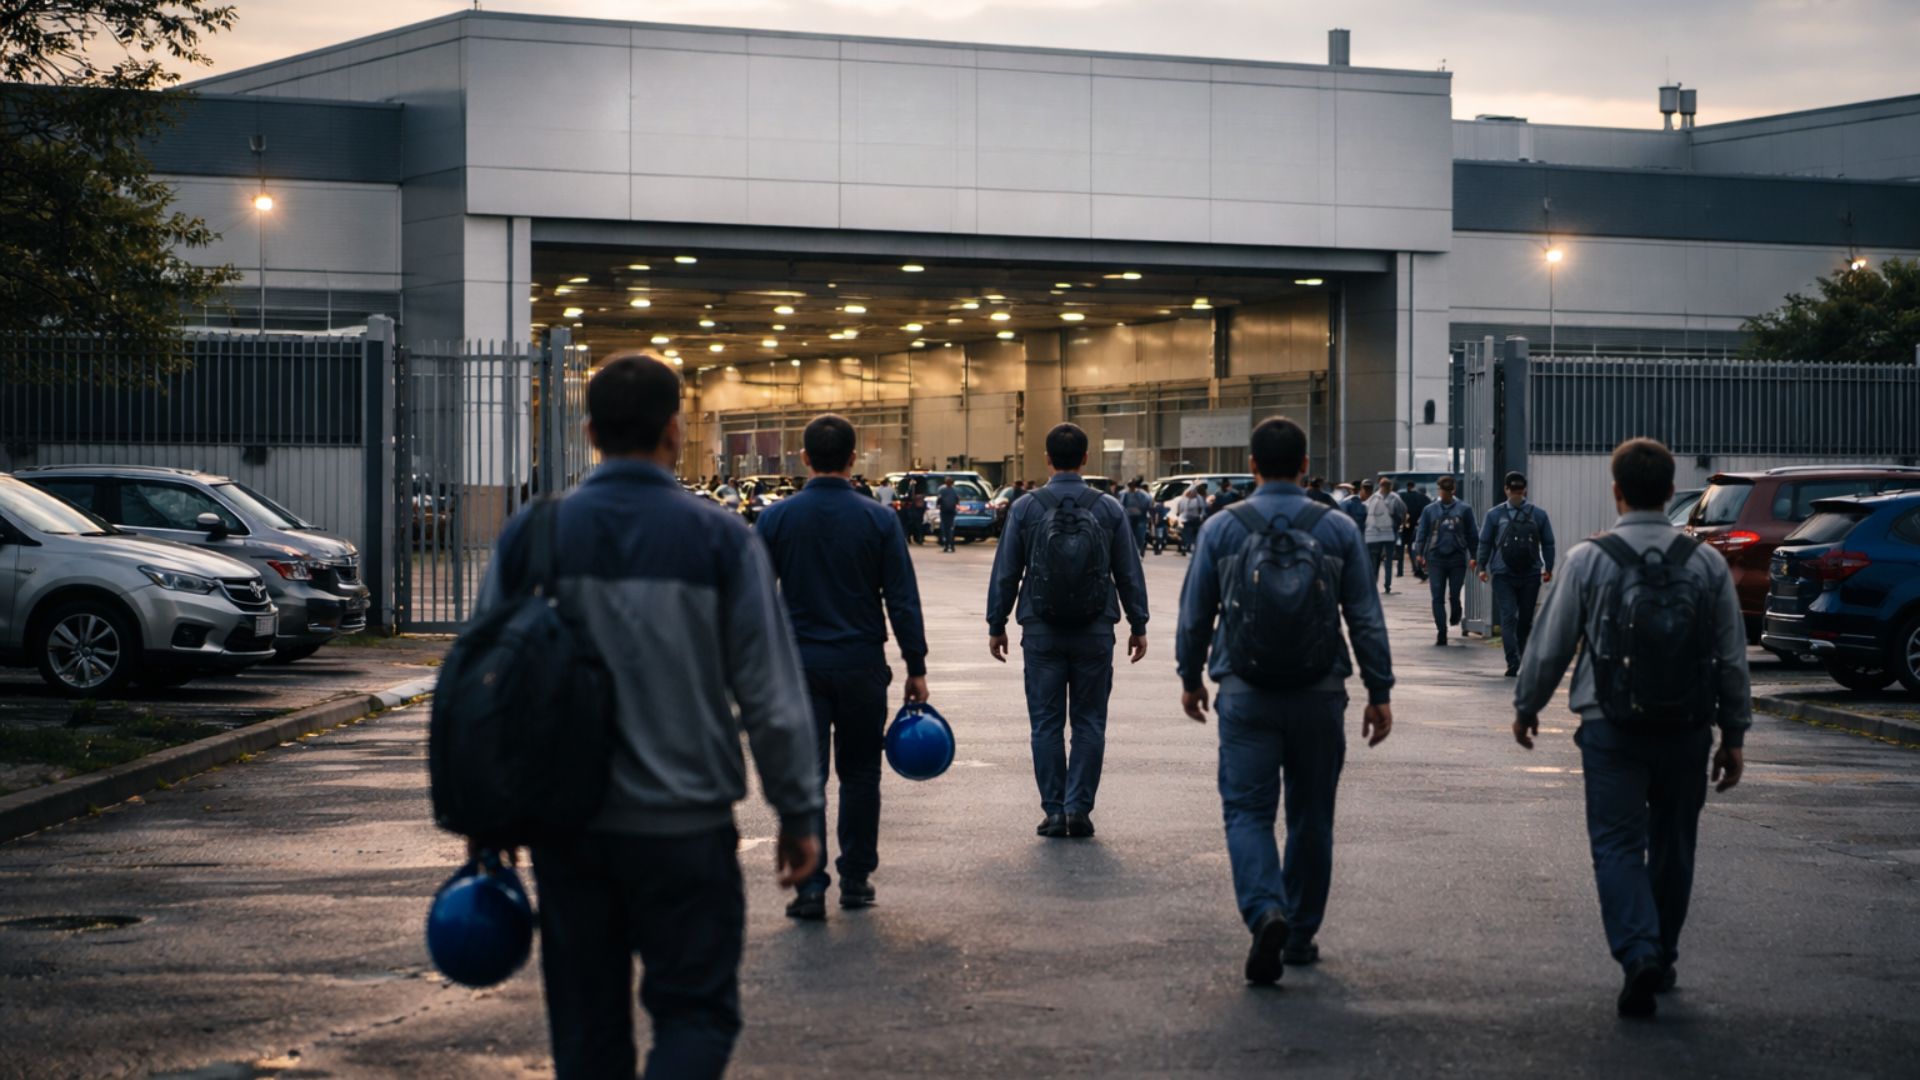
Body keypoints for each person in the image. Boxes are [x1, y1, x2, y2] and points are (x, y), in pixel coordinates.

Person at [476, 356, 820, 1080]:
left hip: (568, 830)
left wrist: (492, 819)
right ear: (674, 429)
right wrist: (798, 812)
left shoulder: (533, 536)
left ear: (591, 431)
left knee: (586, 1026)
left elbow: (488, 691)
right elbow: (771, 694)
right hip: (686, 828)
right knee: (697, 1013)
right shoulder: (722, 539)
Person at [1512, 437, 1749, 1019]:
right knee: (1674, 845)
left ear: (1616, 491)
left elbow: (1550, 645)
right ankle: (1662, 952)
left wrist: (1527, 707)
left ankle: (1636, 949)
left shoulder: (1590, 558)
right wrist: (1734, 732)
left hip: (1609, 727)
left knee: (1617, 844)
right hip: (1688, 728)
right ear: (1672, 492)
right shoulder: (1707, 563)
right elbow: (1731, 654)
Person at [1176, 417, 1395, 985]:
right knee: (1311, 815)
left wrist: (1190, 676)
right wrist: (1379, 690)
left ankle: (1264, 910)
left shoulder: (1224, 527)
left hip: (1246, 694)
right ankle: (1298, 934)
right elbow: (1365, 616)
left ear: (1252, 466)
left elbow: (1195, 612)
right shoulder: (1338, 527)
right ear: (1304, 467)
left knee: (1247, 812)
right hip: (1320, 693)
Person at [756, 415, 930, 921]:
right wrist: (915, 665)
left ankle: (809, 888)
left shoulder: (776, 519)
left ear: (804, 459)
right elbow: (902, 599)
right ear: (854, 459)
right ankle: (856, 879)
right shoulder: (877, 519)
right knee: (860, 775)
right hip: (860, 665)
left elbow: (755, 599)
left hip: (798, 668)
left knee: (807, 777)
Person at [986, 423, 1149, 840]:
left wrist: (997, 623)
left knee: (1046, 723)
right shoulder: (1108, 508)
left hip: (1041, 631)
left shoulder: (1026, 507)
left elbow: (1007, 571)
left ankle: (1054, 811)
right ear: (1085, 458)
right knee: (1090, 722)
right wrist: (1138, 623)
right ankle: (1079, 808)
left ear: (1047, 459)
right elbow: (1128, 571)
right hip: (1096, 631)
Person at [1478, 471, 1557, 677]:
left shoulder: (1494, 514)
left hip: (1502, 573)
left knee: (1508, 617)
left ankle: (1512, 661)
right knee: (1525, 619)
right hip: (1531, 573)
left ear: (1506, 489)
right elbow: (1548, 543)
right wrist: (1548, 568)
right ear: (1525, 490)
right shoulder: (1538, 514)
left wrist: (1481, 567)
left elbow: (1485, 542)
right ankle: (1522, 658)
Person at [1412, 476, 1478, 646]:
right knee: (1437, 596)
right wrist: (1419, 553)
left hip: (1457, 557)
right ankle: (1442, 631)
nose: (1446, 493)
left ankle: (1456, 611)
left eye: (1448, 490)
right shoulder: (1430, 510)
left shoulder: (1464, 509)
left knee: (1454, 594)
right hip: (1436, 557)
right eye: (1443, 490)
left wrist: (1474, 555)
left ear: (1453, 490)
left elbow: (1472, 534)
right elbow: (1422, 532)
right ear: (1439, 489)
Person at [1362, 477, 1406, 593]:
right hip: (1389, 533)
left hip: (1377, 533)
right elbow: (1402, 512)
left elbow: (1366, 513)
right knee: (1387, 560)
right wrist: (1396, 525)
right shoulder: (1395, 498)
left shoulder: (1374, 498)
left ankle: (1376, 584)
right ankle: (1386, 584)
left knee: (1376, 559)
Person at [1397, 482, 1430, 581]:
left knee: (1401, 549)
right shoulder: (1423, 498)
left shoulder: (1402, 496)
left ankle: (1400, 570)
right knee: (1413, 548)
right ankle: (1416, 568)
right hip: (1417, 526)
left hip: (1404, 525)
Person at [1121, 477, 1154, 554]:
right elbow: (1121, 505)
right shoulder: (1124, 494)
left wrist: (1151, 518)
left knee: (1139, 536)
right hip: (1128, 518)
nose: (1131, 487)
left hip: (1140, 518)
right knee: (1129, 536)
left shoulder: (1144, 495)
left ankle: (1139, 550)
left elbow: (1149, 506)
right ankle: (1131, 551)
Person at [1176, 483, 1208, 556]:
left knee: (1192, 534)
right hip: (1187, 520)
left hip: (1195, 519)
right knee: (1187, 534)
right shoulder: (1184, 499)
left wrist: (1201, 516)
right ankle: (1187, 547)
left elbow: (1202, 508)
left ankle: (1190, 547)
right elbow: (1180, 510)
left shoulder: (1198, 498)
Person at [936, 476, 961, 553]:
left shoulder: (942, 490)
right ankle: (952, 546)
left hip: (944, 511)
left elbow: (939, 499)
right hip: (952, 511)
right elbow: (957, 499)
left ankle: (946, 546)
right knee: (951, 528)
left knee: (945, 528)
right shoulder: (955, 490)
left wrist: (938, 505)